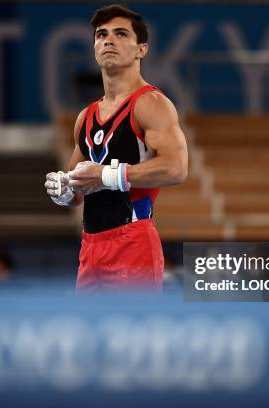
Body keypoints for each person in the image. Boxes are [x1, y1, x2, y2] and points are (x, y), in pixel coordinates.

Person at [45, 4, 188, 292]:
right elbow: (79, 190)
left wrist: (107, 176)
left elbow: (176, 169)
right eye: (101, 35)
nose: (108, 40)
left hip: (133, 241)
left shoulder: (151, 104)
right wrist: (65, 190)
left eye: (121, 34)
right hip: (91, 245)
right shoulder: (85, 118)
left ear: (141, 50)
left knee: (133, 335)